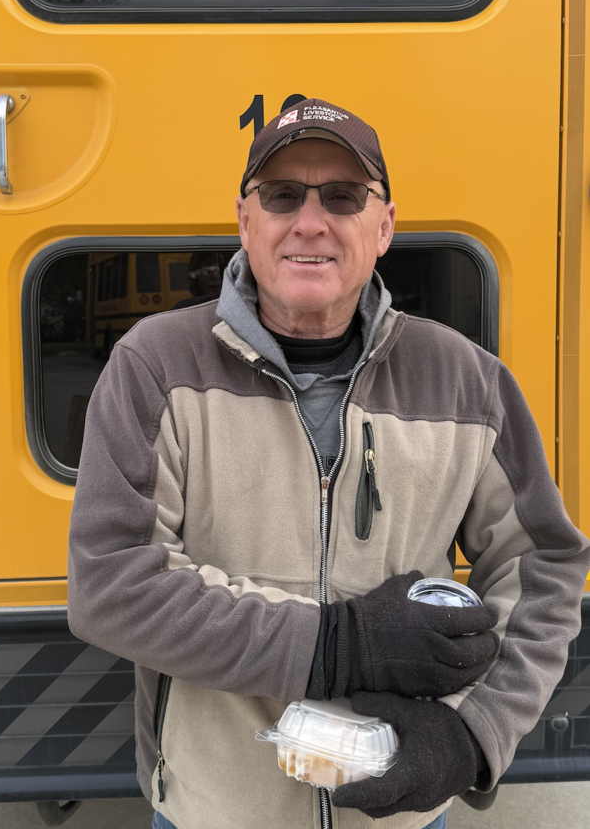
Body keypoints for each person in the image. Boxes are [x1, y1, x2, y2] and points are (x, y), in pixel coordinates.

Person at [68, 99, 590, 829]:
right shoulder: (154, 367)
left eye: (343, 196)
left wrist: (472, 733)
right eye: (282, 195)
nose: (310, 222)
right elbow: (110, 585)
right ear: (245, 221)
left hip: (401, 815)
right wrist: (337, 645)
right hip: (214, 812)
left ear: (385, 227)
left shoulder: (466, 381)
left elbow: (543, 566)